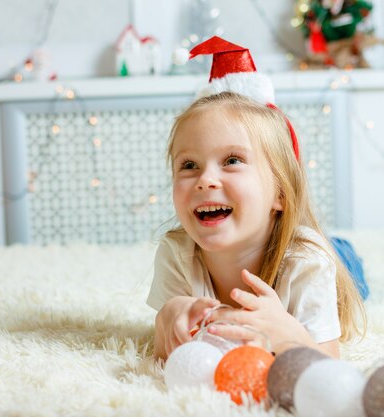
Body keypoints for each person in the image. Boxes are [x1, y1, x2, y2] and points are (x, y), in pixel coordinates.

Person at [147, 37, 366, 360]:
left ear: (279, 192)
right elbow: (164, 352)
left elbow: (327, 362)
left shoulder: (306, 261)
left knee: (342, 259)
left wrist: (287, 335)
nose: (205, 180)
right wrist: (169, 318)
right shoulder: (177, 252)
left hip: (321, 251)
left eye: (232, 161)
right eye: (189, 165)